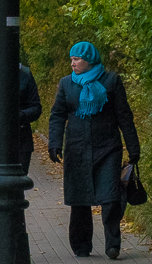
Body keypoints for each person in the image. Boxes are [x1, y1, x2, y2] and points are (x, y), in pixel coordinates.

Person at [48, 41, 141, 260]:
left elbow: (124, 116)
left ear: (90, 60)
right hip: (77, 148)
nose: (73, 63)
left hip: (107, 147)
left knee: (110, 197)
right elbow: (57, 115)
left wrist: (133, 147)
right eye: (71, 59)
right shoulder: (66, 84)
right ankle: (81, 245)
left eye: (77, 59)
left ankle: (112, 244)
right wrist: (54, 143)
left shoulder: (111, 81)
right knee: (79, 199)